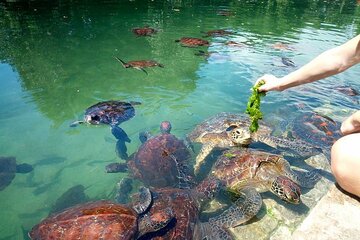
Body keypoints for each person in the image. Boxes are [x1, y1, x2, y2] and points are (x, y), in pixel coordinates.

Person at [256, 34, 360, 197]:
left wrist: (356, 118)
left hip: (319, 138)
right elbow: (338, 58)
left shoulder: (295, 122)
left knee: (342, 156)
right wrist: (280, 83)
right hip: (327, 131)